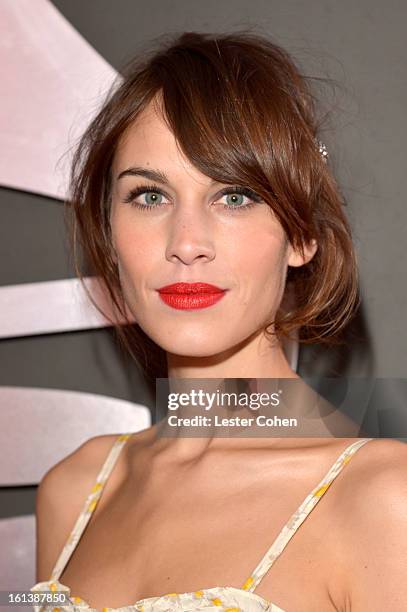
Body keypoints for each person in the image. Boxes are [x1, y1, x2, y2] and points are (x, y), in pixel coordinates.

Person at [31, 31, 407, 611]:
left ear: (301, 234)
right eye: (149, 196)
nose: (186, 244)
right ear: (109, 234)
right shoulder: (75, 489)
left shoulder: (384, 499)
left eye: (234, 197)